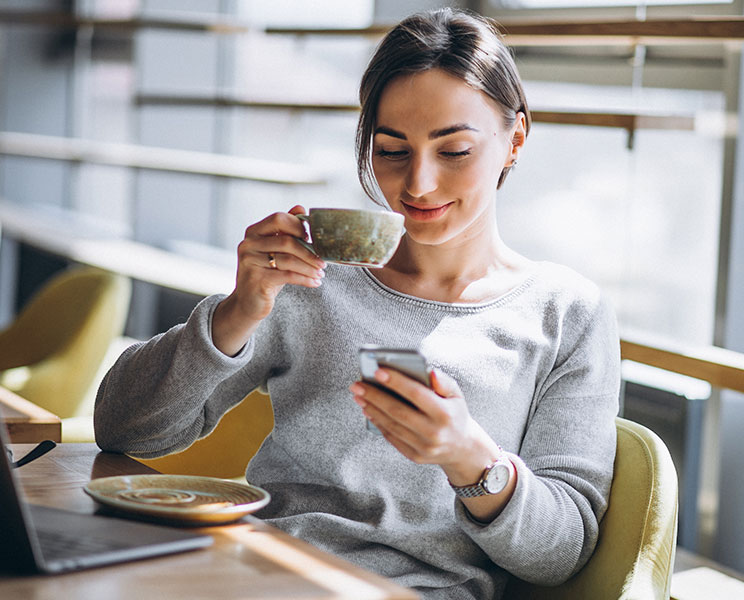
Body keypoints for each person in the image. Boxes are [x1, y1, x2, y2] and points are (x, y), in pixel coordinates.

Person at [95, 8, 620, 599]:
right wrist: (239, 310)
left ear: (514, 138)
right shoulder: (314, 278)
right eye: (392, 150)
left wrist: (472, 461)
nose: (418, 184)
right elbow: (122, 429)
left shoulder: (566, 313)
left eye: (454, 151)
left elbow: (563, 552)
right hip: (253, 577)